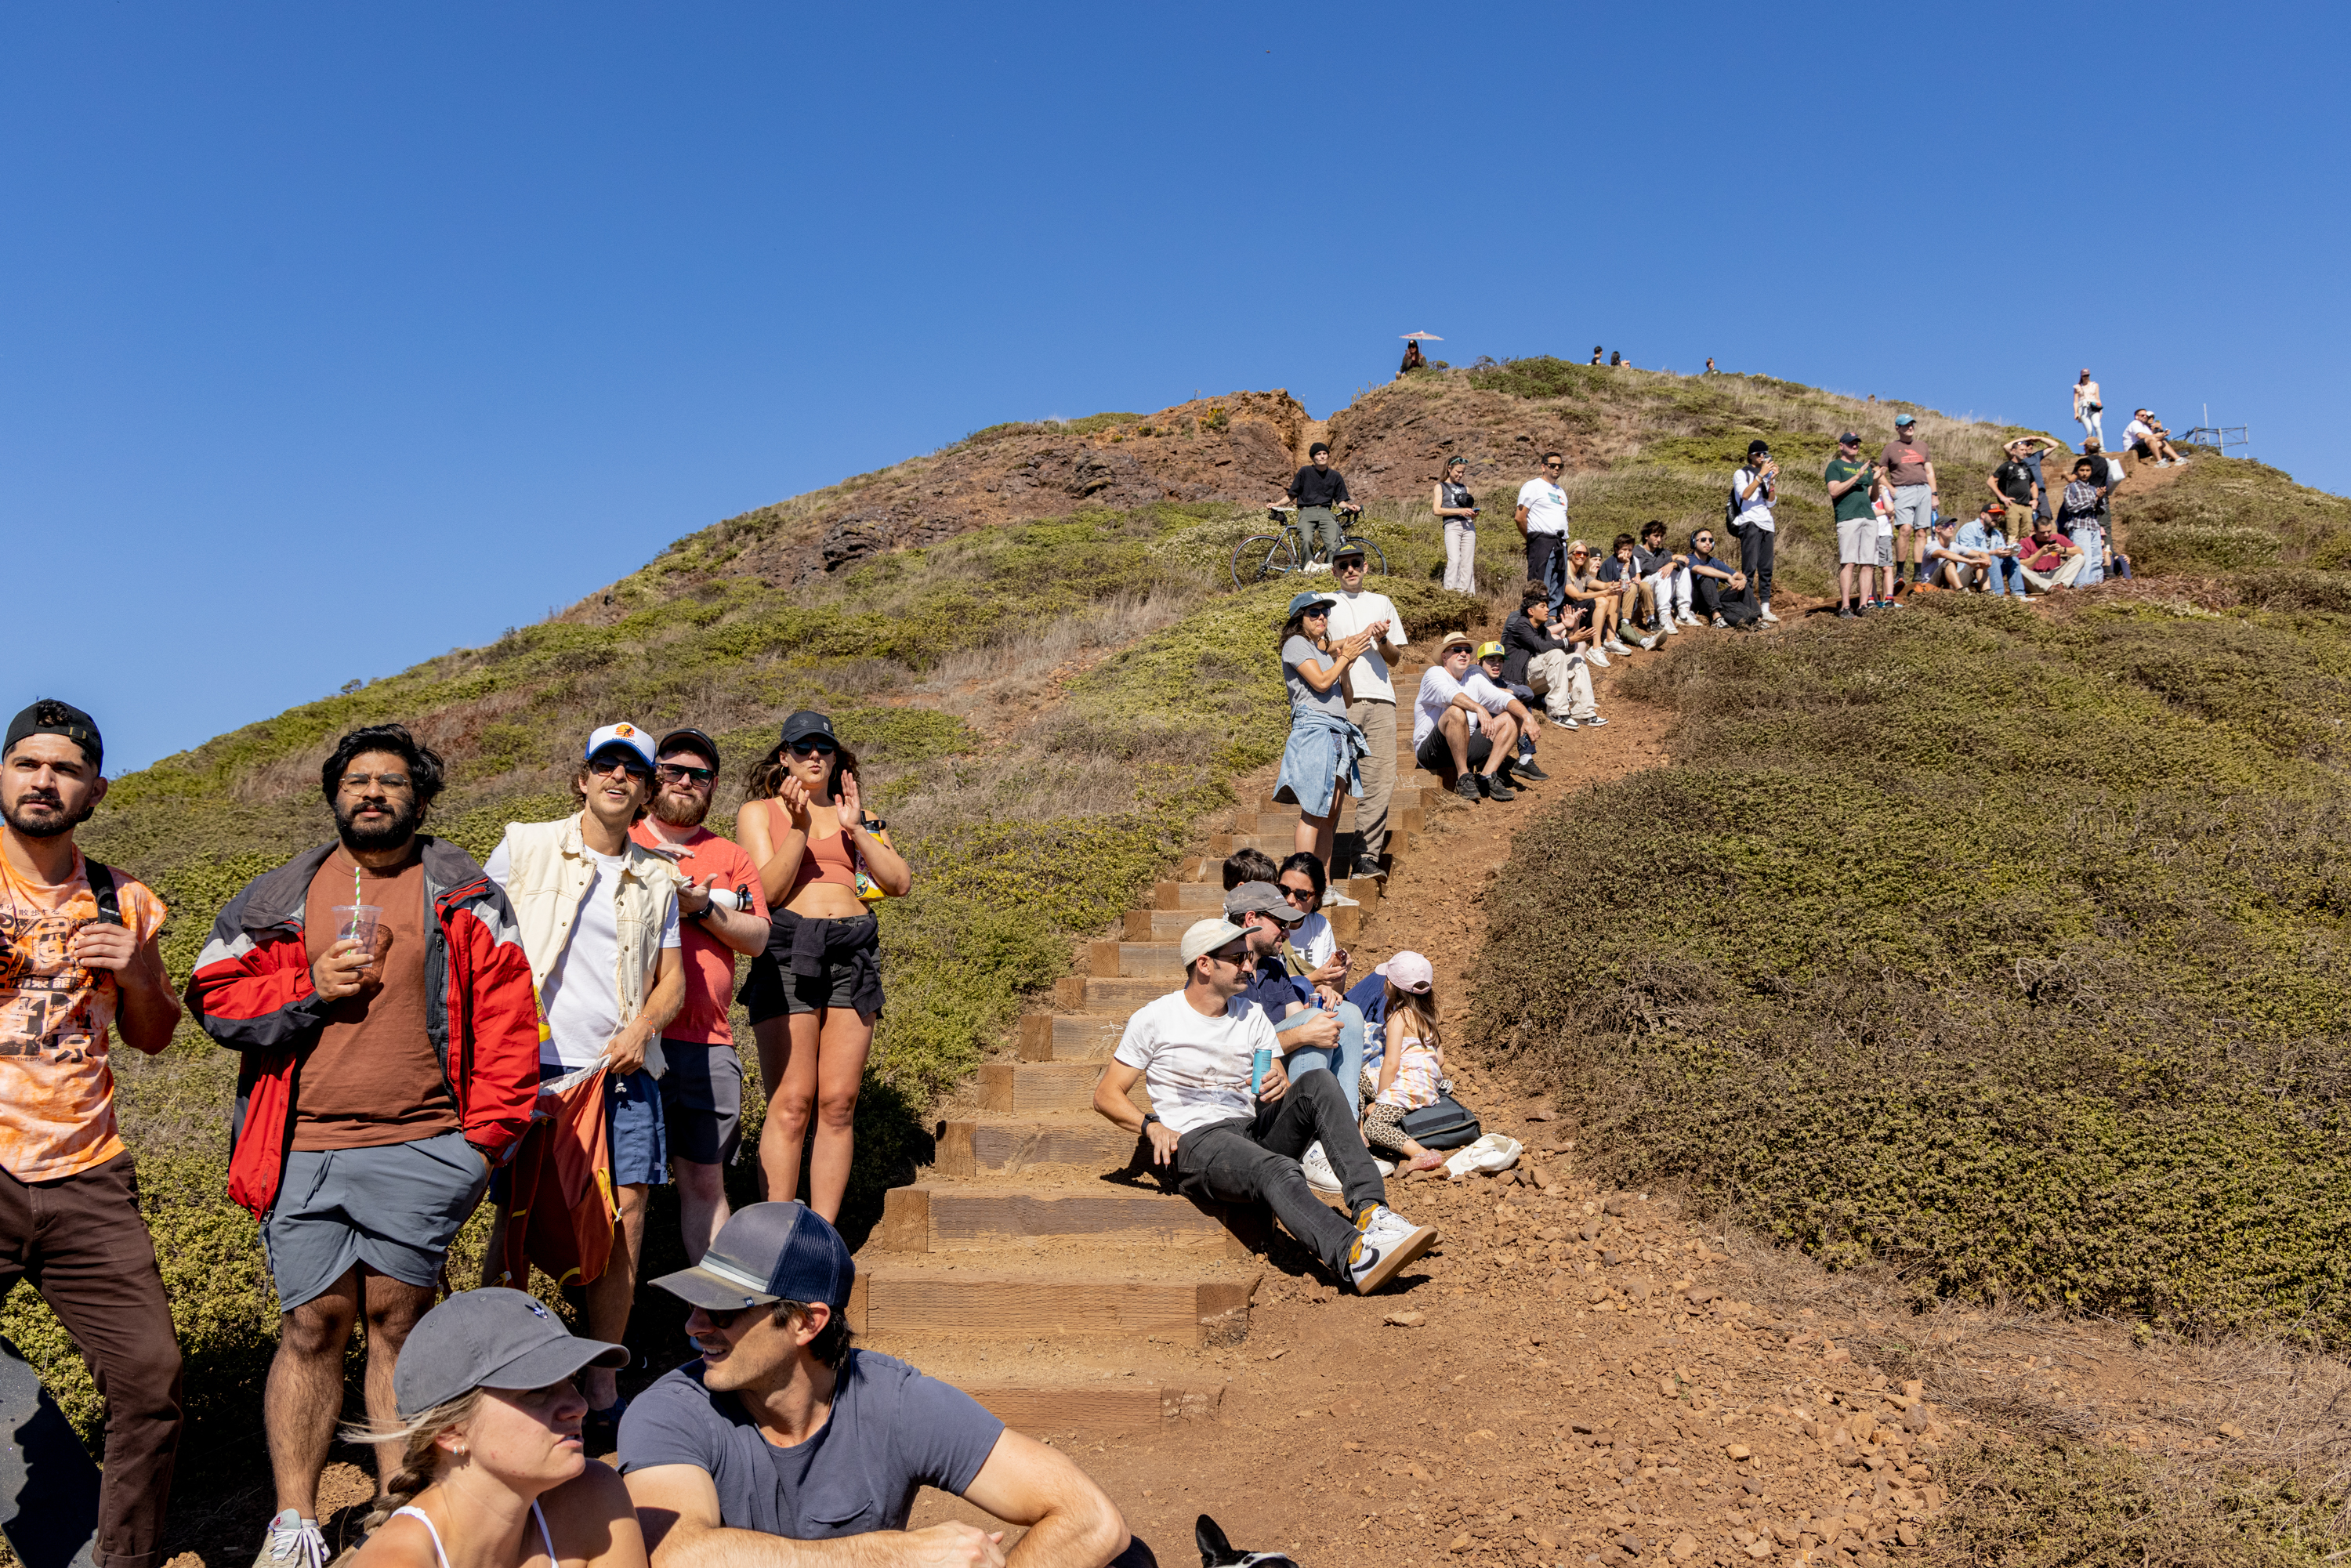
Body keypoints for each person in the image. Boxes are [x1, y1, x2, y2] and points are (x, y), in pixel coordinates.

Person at [189, 722, 541, 1564]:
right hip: (301, 1146)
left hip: (425, 1144)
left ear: (419, 797)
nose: (372, 793)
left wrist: (480, 1147)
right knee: (312, 1323)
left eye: (390, 781)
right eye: (357, 782)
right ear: (334, 795)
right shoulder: (277, 895)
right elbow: (213, 998)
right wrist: (308, 985)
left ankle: (398, 1508)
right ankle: (294, 1521)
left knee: (398, 1320)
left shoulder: (464, 890)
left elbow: (508, 1023)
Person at [621, 1202, 1143, 1568]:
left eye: (720, 1309)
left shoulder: (892, 1399)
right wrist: (898, 1555)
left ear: (807, 1321)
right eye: (693, 1303)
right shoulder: (670, 1411)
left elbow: (1092, 1520)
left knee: (1130, 1558)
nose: (693, 1325)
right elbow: (676, 1554)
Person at [0, 701, 184, 1568]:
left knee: (151, 1382)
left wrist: (139, 968)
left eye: (65, 769)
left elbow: (153, 1036)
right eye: (28, 764)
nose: (44, 780)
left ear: (95, 791)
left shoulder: (126, 897)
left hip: (87, 1175)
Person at [480, 722, 687, 1446]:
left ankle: (602, 1376)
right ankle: (504, 1370)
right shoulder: (523, 845)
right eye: (606, 763)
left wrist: (643, 1029)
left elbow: (673, 984)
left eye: (633, 769)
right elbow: (475, 942)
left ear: (646, 788)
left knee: (624, 1223)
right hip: (525, 1072)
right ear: (583, 777)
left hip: (620, 1074)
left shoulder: (658, 875)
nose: (618, 777)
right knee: (514, 1219)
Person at [1092, 922, 1437, 1296]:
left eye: (1250, 956)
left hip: (1250, 1127)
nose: (1249, 966)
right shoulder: (1156, 1018)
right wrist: (1151, 1126)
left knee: (1318, 1083)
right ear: (1204, 964)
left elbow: (1273, 1073)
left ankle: (1374, 1213)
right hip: (1195, 1140)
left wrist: (1280, 1083)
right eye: (1239, 957)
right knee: (1277, 1168)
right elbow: (1107, 1094)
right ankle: (1354, 1256)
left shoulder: (1251, 1014)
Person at [736, 712, 912, 1223]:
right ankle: (774, 1236)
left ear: (836, 759)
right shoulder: (760, 812)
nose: (815, 755)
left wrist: (857, 831)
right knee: (791, 1102)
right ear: (784, 757)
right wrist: (798, 827)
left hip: (853, 951)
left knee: (839, 1100)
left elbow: (897, 881)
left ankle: (821, 1238)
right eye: (803, 747)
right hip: (790, 949)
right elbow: (766, 892)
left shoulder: (858, 813)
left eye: (824, 748)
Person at [344, 1288, 645, 1568]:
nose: (579, 1406)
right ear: (450, 1431)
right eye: (536, 1390)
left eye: (572, 1380)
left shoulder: (593, 1497)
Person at [630, 730, 773, 1262]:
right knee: (624, 1187)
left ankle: (716, 1314)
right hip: (632, 1038)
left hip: (708, 1043)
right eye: (673, 770)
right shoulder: (621, 838)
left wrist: (703, 909)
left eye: (700, 775)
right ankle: (615, 1331)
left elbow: (759, 936)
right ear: (652, 778)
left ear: (713, 788)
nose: (686, 781)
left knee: (705, 1184)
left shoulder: (730, 855)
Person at [1322, 544, 1412, 883]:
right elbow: (1317, 646)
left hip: (1382, 700)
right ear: (1334, 571)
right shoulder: (1325, 604)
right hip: (1340, 698)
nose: (1350, 569)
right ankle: (1323, 863)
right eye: (1342, 565)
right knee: (1333, 782)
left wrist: (1383, 638)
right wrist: (1353, 640)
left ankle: (1365, 857)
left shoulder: (1382, 602)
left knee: (1380, 780)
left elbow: (1394, 658)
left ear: (1366, 567)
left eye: (1355, 563)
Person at [1271, 591, 1371, 880]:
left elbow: (1346, 698)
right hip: (1315, 732)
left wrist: (1345, 669)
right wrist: (1344, 660)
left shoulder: (1322, 653)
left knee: (1330, 815)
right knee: (1314, 811)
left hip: (1338, 732)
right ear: (1298, 620)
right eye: (1313, 613)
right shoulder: (1296, 644)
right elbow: (1321, 682)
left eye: (1324, 612)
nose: (1321, 617)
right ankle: (1302, 882)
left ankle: (1324, 886)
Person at [1357, 953, 1447, 1175]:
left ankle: (1421, 1153)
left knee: (1374, 1126)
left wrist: (1380, 1100)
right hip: (1427, 1085)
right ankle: (1362, 1127)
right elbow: (1440, 1059)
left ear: (1390, 985)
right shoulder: (1429, 1015)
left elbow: (1391, 1064)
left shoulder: (1399, 1017)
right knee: (1361, 1079)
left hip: (1406, 1086)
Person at [1415, 632, 1519, 802]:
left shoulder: (1473, 677)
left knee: (1511, 717)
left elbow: (1502, 698)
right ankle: (1464, 776)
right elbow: (1450, 695)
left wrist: (1528, 718)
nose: (1464, 654)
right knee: (1456, 711)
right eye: (1457, 649)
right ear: (1444, 656)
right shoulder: (1434, 673)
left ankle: (1486, 776)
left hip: (1464, 745)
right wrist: (1480, 709)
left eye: (1468, 650)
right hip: (1432, 752)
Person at [1500, 586, 1600, 732]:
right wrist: (1571, 639)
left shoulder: (1540, 629)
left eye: (1547, 605)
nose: (1548, 609)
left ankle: (1583, 712)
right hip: (1516, 681)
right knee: (1555, 654)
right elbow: (1541, 646)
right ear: (1531, 611)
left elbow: (1568, 648)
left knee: (1576, 658)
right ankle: (1557, 712)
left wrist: (1572, 630)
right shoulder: (1521, 625)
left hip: (1532, 680)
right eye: (1543, 606)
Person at [1469, 642, 1550, 783]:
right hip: (1474, 740)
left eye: (1500, 661)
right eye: (1491, 660)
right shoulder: (1472, 678)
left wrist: (1507, 692)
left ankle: (1525, 757)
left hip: (1493, 733)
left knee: (1520, 704)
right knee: (1515, 705)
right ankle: (1488, 766)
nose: (1497, 664)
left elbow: (1528, 692)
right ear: (1479, 662)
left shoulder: (1501, 683)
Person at [1825, 432, 1886, 618]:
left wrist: (1874, 481)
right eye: (1851, 443)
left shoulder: (1864, 467)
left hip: (1868, 517)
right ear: (1841, 446)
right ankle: (1845, 607)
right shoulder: (1835, 466)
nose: (1855, 446)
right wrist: (1857, 476)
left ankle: (1863, 605)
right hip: (1847, 518)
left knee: (1868, 564)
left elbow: (1873, 497)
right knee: (1849, 562)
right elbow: (1834, 491)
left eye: (1857, 443)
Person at [1881, 415, 1939, 588]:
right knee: (1905, 529)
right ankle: (1900, 573)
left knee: (1921, 532)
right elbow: (1880, 470)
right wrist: (1891, 488)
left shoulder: (1922, 445)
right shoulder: (1890, 448)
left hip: (1923, 490)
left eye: (1912, 424)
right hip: (1903, 490)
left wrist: (1934, 493)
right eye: (1905, 425)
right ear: (1897, 428)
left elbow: (1929, 471)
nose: (1910, 427)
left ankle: (1918, 574)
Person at [1728, 440, 1782, 623]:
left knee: (1766, 569)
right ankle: (1750, 608)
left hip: (1767, 523)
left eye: (1765, 454)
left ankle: (1765, 608)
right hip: (1749, 522)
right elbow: (1744, 494)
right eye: (1759, 454)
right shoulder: (1741, 473)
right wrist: (1761, 476)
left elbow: (1771, 502)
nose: (1762, 457)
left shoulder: (1764, 475)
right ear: (1750, 455)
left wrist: (1772, 480)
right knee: (1749, 569)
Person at [1515, 451, 1573, 615]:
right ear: (1543, 467)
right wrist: (1532, 541)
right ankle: (1534, 622)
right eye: (1552, 465)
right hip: (1542, 541)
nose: (1556, 468)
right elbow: (1520, 517)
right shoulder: (1533, 486)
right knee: (1539, 585)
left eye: (1560, 466)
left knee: (1557, 585)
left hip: (1560, 542)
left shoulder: (1560, 491)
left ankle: (1552, 618)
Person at [1286, 440, 1359, 565]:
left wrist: (1348, 506)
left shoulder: (1335, 476)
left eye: (1325, 453)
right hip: (1307, 512)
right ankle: (1308, 570)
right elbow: (1292, 495)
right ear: (1312, 457)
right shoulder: (1305, 471)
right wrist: (1276, 504)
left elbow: (1340, 501)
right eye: (1318, 454)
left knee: (1333, 544)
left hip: (1326, 512)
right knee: (1307, 540)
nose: (1322, 456)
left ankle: (1329, 572)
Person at [1559, 541, 1630, 663]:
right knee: (1602, 600)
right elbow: (1578, 596)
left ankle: (1610, 640)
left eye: (1585, 554)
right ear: (1570, 554)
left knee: (1613, 595)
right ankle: (1596, 647)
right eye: (1578, 554)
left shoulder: (1582, 574)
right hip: (1568, 613)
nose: (1582, 556)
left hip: (1581, 611)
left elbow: (1603, 585)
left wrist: (1620, 584)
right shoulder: (1564, 573)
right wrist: (1604, 593)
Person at [1595, 534, 1665, 644]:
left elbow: (1637, 576)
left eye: (1630, 550)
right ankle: (1626, 620)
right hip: (1619, 591)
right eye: (1624, 550)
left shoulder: (1634, 560)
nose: (1627, 553)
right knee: (1630, 587)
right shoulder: (1609, 564)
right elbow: (1620, 582)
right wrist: (1626, 564)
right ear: (1617, 550)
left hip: (1631, 589)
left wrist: (1637, 578)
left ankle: (1651, 619)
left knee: (1645, 586)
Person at [1686, 529, 1759, 628]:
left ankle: (1758, 619)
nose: (1708, 543)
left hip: (1711, 600)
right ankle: (1717, 618)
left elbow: (1738, 575)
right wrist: (1727, 576)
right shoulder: (1689, 559)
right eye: (1703, 540)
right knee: (1707, 577)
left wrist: (1743, 580)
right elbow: (1700, 570)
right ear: (1694, 542)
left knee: (1744, 586)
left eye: (1710, 540)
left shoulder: (1714, 561)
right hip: (1694, 601)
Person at [1957, 503, 2027, 597]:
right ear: (1983, 515)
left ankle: (2019, 594)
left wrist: (2008, 551)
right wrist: (1993, 553)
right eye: (1993, 515)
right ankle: (1998, 596)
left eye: (1997, 515)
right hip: (1970, 570)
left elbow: (2000, 549)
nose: (1996, 518)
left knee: (2013, 560)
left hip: (1990, 569)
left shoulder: (1997, 533)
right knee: (1992, 558)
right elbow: (1968, 550)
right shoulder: (1969, 528)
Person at [1638, 520, 1696, 628]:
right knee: (1662, 572)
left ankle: (1684, 612)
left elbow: (1684, 562)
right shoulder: (1637, 551)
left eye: (1661, 536)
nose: (1659, 539)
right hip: (1643, 595)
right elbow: (1650, 568)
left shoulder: (1664, 552)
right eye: (1655, 536)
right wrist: (1673, 558)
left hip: (1659, 596)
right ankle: (1664, 615)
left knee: (1683, 570)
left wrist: (1673, 564)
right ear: (1646, 536)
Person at [1433, 455, 1479, 594]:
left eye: (1463, 472)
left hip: (1468, 526)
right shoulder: (1440, 487)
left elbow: (1467, 510)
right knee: (1454, 560)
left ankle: (1466, 595)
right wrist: (1459, 511)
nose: (1460, 475)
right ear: (1449, 469)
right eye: (1458, 472)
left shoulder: (1466, 488)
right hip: (1452, 526)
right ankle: (1449, 595)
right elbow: (1437, 510)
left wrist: (1472, 515)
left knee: (1467, 563)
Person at [2016, 509, 2087, 593]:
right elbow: (2023, 565)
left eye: (2049, 531)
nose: (2046, 535)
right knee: (2019, 568)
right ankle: (2050, 588)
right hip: (2035, 578)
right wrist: (2040, 553)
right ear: (2035, 530)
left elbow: (2080, 551)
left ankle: (2060, 586)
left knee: (2080, 558)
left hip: (2054, 576)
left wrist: (2063, 550)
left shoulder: (2058, 538)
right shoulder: (2026, 542)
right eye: (2043, 532)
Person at [1914, 516, 1975, 591]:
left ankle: (1988, 592)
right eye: (1946, 525)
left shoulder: (1955, 546)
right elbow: (1944, 554)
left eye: (1952, 524)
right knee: (1948, 563)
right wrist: (1968, 561)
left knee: (1979, 562)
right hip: (1930, 586)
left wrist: (1986, 558)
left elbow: (1978, 553)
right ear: (1937, 529)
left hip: (1948, 585)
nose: (1951, 527)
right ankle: (1961, 592)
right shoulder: (1930, 546)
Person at [2123, 410, 2187, 468]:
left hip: (2142, 450)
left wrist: (2163, 434)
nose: (2145, 417)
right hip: (2131, 450)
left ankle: (2178, 459)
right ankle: (2160, 462)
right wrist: (2156, 435)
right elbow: (2141, 436)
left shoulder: (2145, 427)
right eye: (2142, 415)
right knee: (2152, 439)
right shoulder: (2135, 423)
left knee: (2162, 442)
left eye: (2146, 415)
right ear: (2136, 416)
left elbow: (2154, 440)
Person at [2073, 370, 2103, 447]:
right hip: (2083, 408)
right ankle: (2090, 448)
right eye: (2084, 376)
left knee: (2097, 426)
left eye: (2087, 375)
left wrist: (2100, 410)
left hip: (2094, 407)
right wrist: (2076, 412)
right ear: (2081, 376)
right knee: (2089, 430)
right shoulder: (2078, 387)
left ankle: (2101, 446)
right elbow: (2075, 401)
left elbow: (2098, 398)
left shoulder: (2095, 385)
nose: (2086, 377)